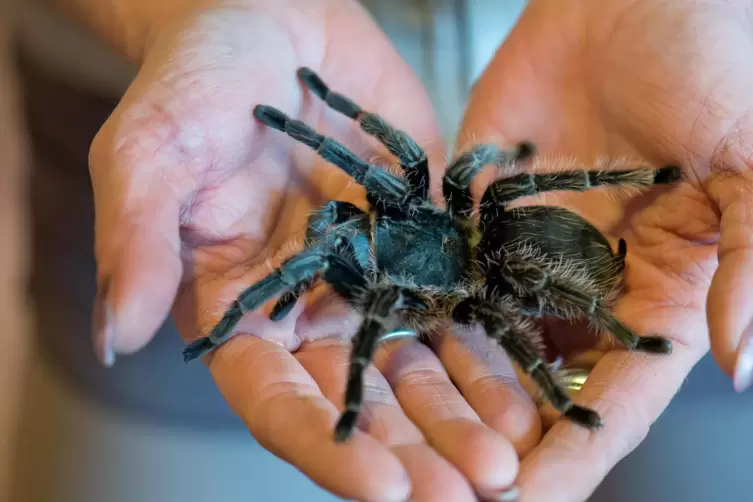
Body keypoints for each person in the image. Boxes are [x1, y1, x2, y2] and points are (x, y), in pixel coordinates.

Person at [9, 0, 753, 501]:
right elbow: (375, 167)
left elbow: (374, 308)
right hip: (176, 143)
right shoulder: (421, 211)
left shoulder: (409, 273)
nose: (345, 231)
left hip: (644, 215)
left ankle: (606, 343)